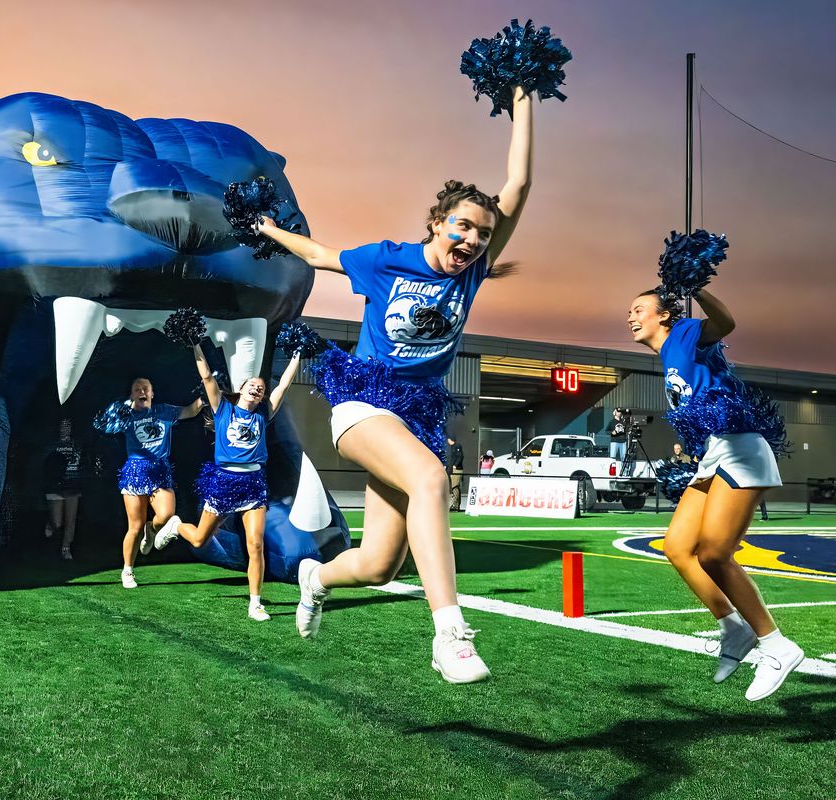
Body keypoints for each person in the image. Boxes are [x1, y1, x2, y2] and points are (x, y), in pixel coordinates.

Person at [251, 84, 535, 683]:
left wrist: (524, 100)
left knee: (380, 564)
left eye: (483, 233)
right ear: (436, 224)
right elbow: (322, 254)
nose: (473, 240)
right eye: (462, 226)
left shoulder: (473, 274)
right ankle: (450, 636)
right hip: (363, 402)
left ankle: (315, 577)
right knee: (433, 477)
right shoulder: (386, 260)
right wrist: (269, 229)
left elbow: (518, 188)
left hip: (418, 414)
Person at [629, 286, 804, 701]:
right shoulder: (668, 355)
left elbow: (726, 324)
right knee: (676, 546)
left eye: (639, 310)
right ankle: (733, 628)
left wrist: (697, 289)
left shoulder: (684, 334)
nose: (631, 318)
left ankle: (777, 647)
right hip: (713, 454)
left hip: (740, 447)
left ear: (665, 316)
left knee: (713, 553)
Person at [153, 341, 302, 621]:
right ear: (242, 388)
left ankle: (255, 603)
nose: (257, 388)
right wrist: (195, 344)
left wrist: (296, 355)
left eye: (261, 388)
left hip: (254, 484)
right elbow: (207, 376)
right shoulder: (223, 409)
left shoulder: (263, 413)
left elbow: (283, 385)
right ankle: (176, 526)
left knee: (255, 544)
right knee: (199, 539)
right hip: (224, 482)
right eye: (252, 385)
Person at [93, 378, 203, 588]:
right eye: (137, 389)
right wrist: (117, 409)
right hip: (135, 471)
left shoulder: (164, 411)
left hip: (159, 470)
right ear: (132, 395)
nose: (142, 391)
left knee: (167, 516)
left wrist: (206, 394)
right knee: (134, 526)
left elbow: (191, 410)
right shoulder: (127, 415)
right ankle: (127, 570)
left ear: (152, 394)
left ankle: (151, 530)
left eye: (146, 389)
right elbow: (100, 425)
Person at [43, 418, 86, 561]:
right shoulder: (52, 445)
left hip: (72, 485)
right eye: (63, 426)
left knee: (70, 520)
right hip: (55, 486)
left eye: (69, 426)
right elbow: (46, 465)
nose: (66, 429)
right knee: (57, 522)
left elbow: (83, 464)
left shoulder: (77, 445)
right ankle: (50, 523)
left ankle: (66, 548)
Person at [446, 436, 464, 511]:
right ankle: (456, 505)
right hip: (451, 469)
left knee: (455, 486)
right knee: (454, 486)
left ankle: (454, 505)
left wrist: (455, 465)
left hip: (456, 469)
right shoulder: (451, 448)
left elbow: (460, 456)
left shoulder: (457, 446)